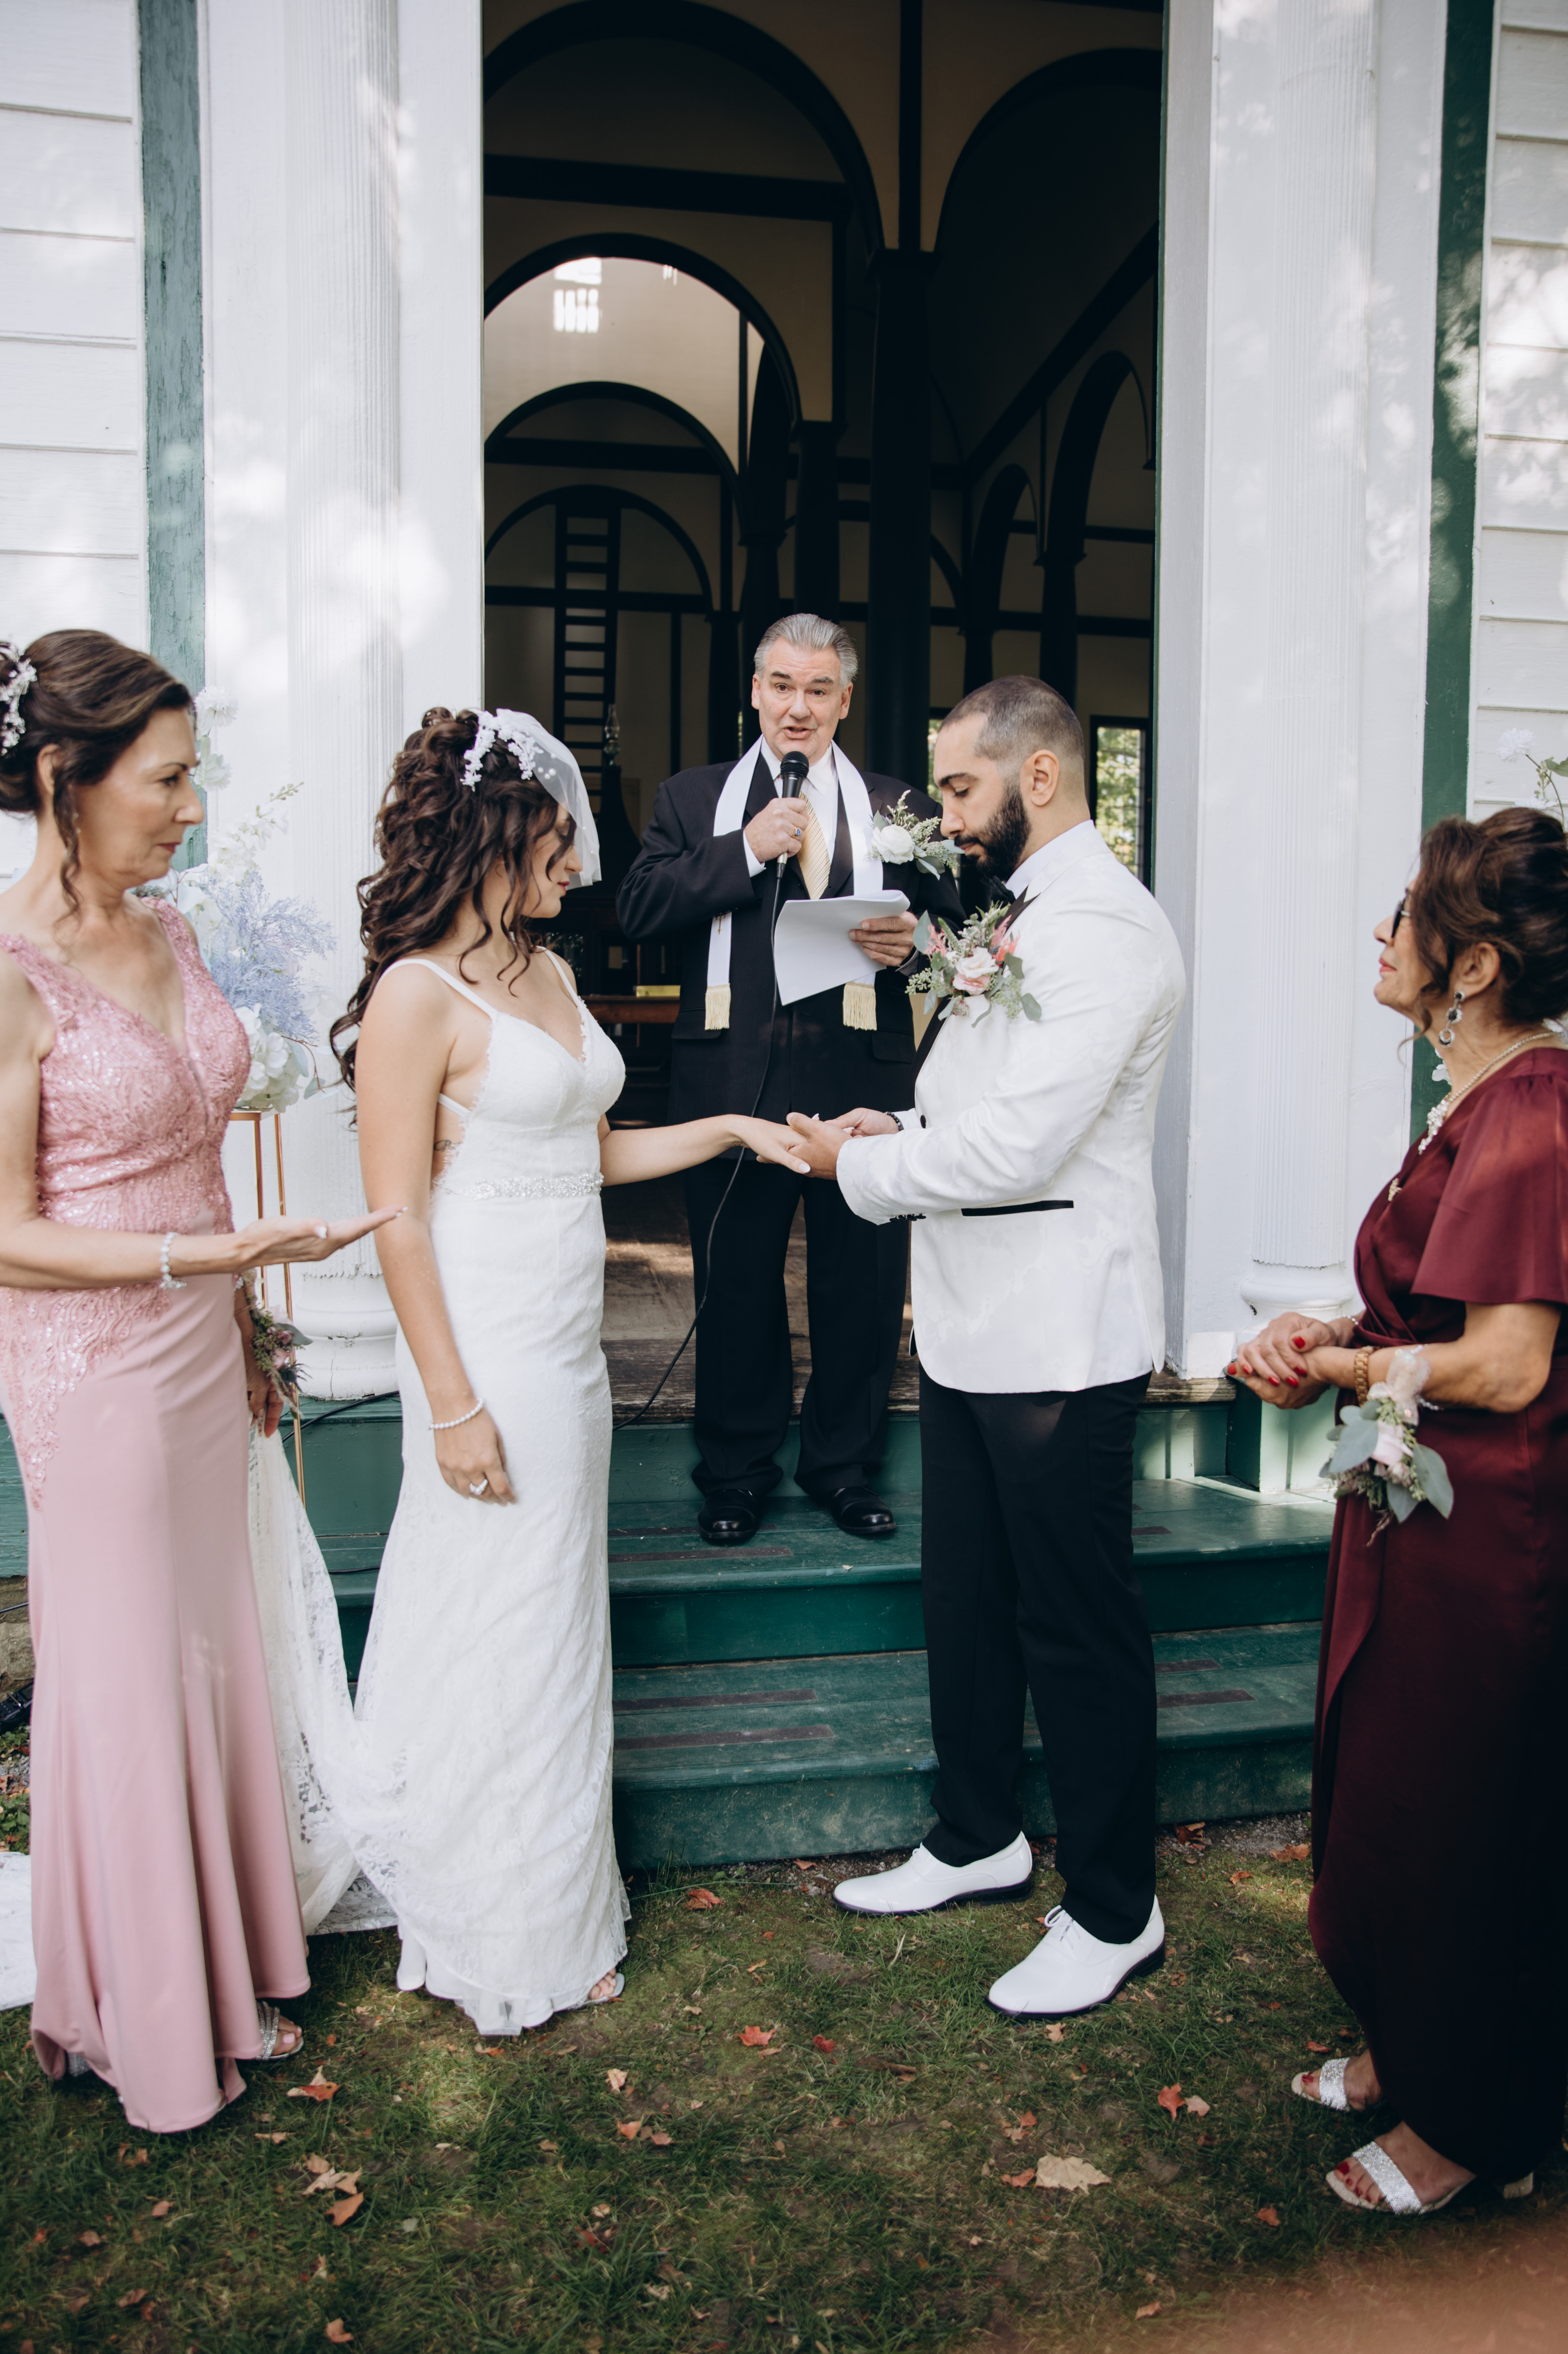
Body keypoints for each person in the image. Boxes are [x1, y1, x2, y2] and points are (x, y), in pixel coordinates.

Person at [330, 708, 809, 2035]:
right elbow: (396, 1219)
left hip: (567, 1345)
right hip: (484, 1348)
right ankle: (498, 1924)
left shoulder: (543, 971)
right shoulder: (415, 995)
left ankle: (552, 1892)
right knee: (503, 1618)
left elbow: (590, 1153)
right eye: (553, 843)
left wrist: (727, 1125)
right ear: (488, 837)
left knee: (553, 1621)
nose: (577, 867)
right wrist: (453, 1404)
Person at [0, 630, 394, 2133]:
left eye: (194, 777)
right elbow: (5, 1234)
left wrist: (241, 1323)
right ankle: (142, 2020)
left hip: (200, 1347)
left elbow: (196, 1145)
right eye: (166, 780)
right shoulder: (8, 971)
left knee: (212, 1650)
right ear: (66, 777)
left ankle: (229, 1969)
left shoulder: (171, 932)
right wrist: (200, 1262)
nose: (191, 808)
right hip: (89, 1362)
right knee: (124, 1674)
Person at [786, 677, 1185, 2017]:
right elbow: (980, 1103)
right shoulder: (1023, 913)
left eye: (961, 787)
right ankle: (977, 1835)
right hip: (972, 1323)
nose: (945, 814)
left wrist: (856, 1172)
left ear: (1042, 776)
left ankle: (1115, 1907)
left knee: (1074, 1624)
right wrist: (895, 1127)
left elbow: (1026, 1143)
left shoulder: (1105, 929)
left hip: (1062, 1336)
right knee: (963, 1600)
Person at [1232, 806, 1568, 2216]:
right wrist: (1338, 1327)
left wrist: (1345, 1369)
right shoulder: (1474, 1098)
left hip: (1493, 1534)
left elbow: (1510, 1362)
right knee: (1389, 1780)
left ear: (1473, 966)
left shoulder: (1533, 1110)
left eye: (1409, 915)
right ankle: (1407, 2045)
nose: (1383, 935)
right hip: (1421, 1513)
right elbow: (1434, 1308)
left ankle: (1477, 2120)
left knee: (1467, 1808)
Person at [616, 614, 965, 1546]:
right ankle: (735, 1473)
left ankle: (844, 1468)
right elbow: (638, 908)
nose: (797, 707)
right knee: (736, 1288)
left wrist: (913, 947)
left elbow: (959, 949)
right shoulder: (695, 799)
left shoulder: (898, 808)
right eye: (781, 685)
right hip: (728, 1084)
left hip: (861, 1083)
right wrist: (743, 849)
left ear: (844, 700)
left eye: (817, 690)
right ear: (756, 691)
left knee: (860, 1290)